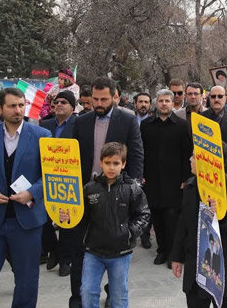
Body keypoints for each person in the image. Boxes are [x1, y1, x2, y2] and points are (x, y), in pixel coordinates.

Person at [0, 88, 52, 308]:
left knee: (26, 281)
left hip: (27, 222)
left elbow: (51, 175)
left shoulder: (41, 136)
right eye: (12, 106)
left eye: (21, 105)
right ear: (1, 109)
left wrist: (32, 192)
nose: (17, 110)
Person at [68, 77, 144, 308]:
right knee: (80, 247)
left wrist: (133, 186)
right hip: (85, 191)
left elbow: (137, 155)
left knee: (114, 248)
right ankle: (78, 298)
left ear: (115, 97)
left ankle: (113, 295)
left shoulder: (128, 119)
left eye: (103, 99)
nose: (98, 103)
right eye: (95, 99)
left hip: (116, 192)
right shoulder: (81, 121)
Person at [60, 142, 150, 308]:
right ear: (101, 162)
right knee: (87, 292)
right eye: (107, 163)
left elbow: (143, 214)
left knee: (119, 296)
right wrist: (67, 217)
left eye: (116, 163)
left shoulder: (132, 188)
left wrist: (129, 232)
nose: (111, 167)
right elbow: (81, 217)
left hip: (120, 253)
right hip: (93, 252)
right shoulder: (89, 188)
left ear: (123, 164)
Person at [171, 142, 227, 308]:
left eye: (194, 156)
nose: (190, 159)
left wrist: (223, 212)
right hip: (196, 265)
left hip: (223, 268)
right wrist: (177, 257)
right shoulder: (191, 186)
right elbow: (183, 225)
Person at [141, 89, 192, 269]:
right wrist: (142, 175)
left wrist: (187, 178)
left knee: (173, 217)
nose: (164, 104)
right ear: (156, 103)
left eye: (167, 101)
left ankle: (173, 253)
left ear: (173, 103)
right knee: (157, 216)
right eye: (161, 101)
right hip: (153, 179)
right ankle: (161, 250)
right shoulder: (146, 125)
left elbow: (188, 153)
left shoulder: (182, 125)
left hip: (175, 179)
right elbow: (141, 152)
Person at [40, 90, 77, 277]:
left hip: (69, 180)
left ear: (72, 107)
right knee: (43, 218)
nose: (59, 105)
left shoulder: (79, 124)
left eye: (64, 102)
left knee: (66, 221)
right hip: (45, 179)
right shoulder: (45, 125)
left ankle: (65, 260)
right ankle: (52, 248)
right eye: (56, 102)